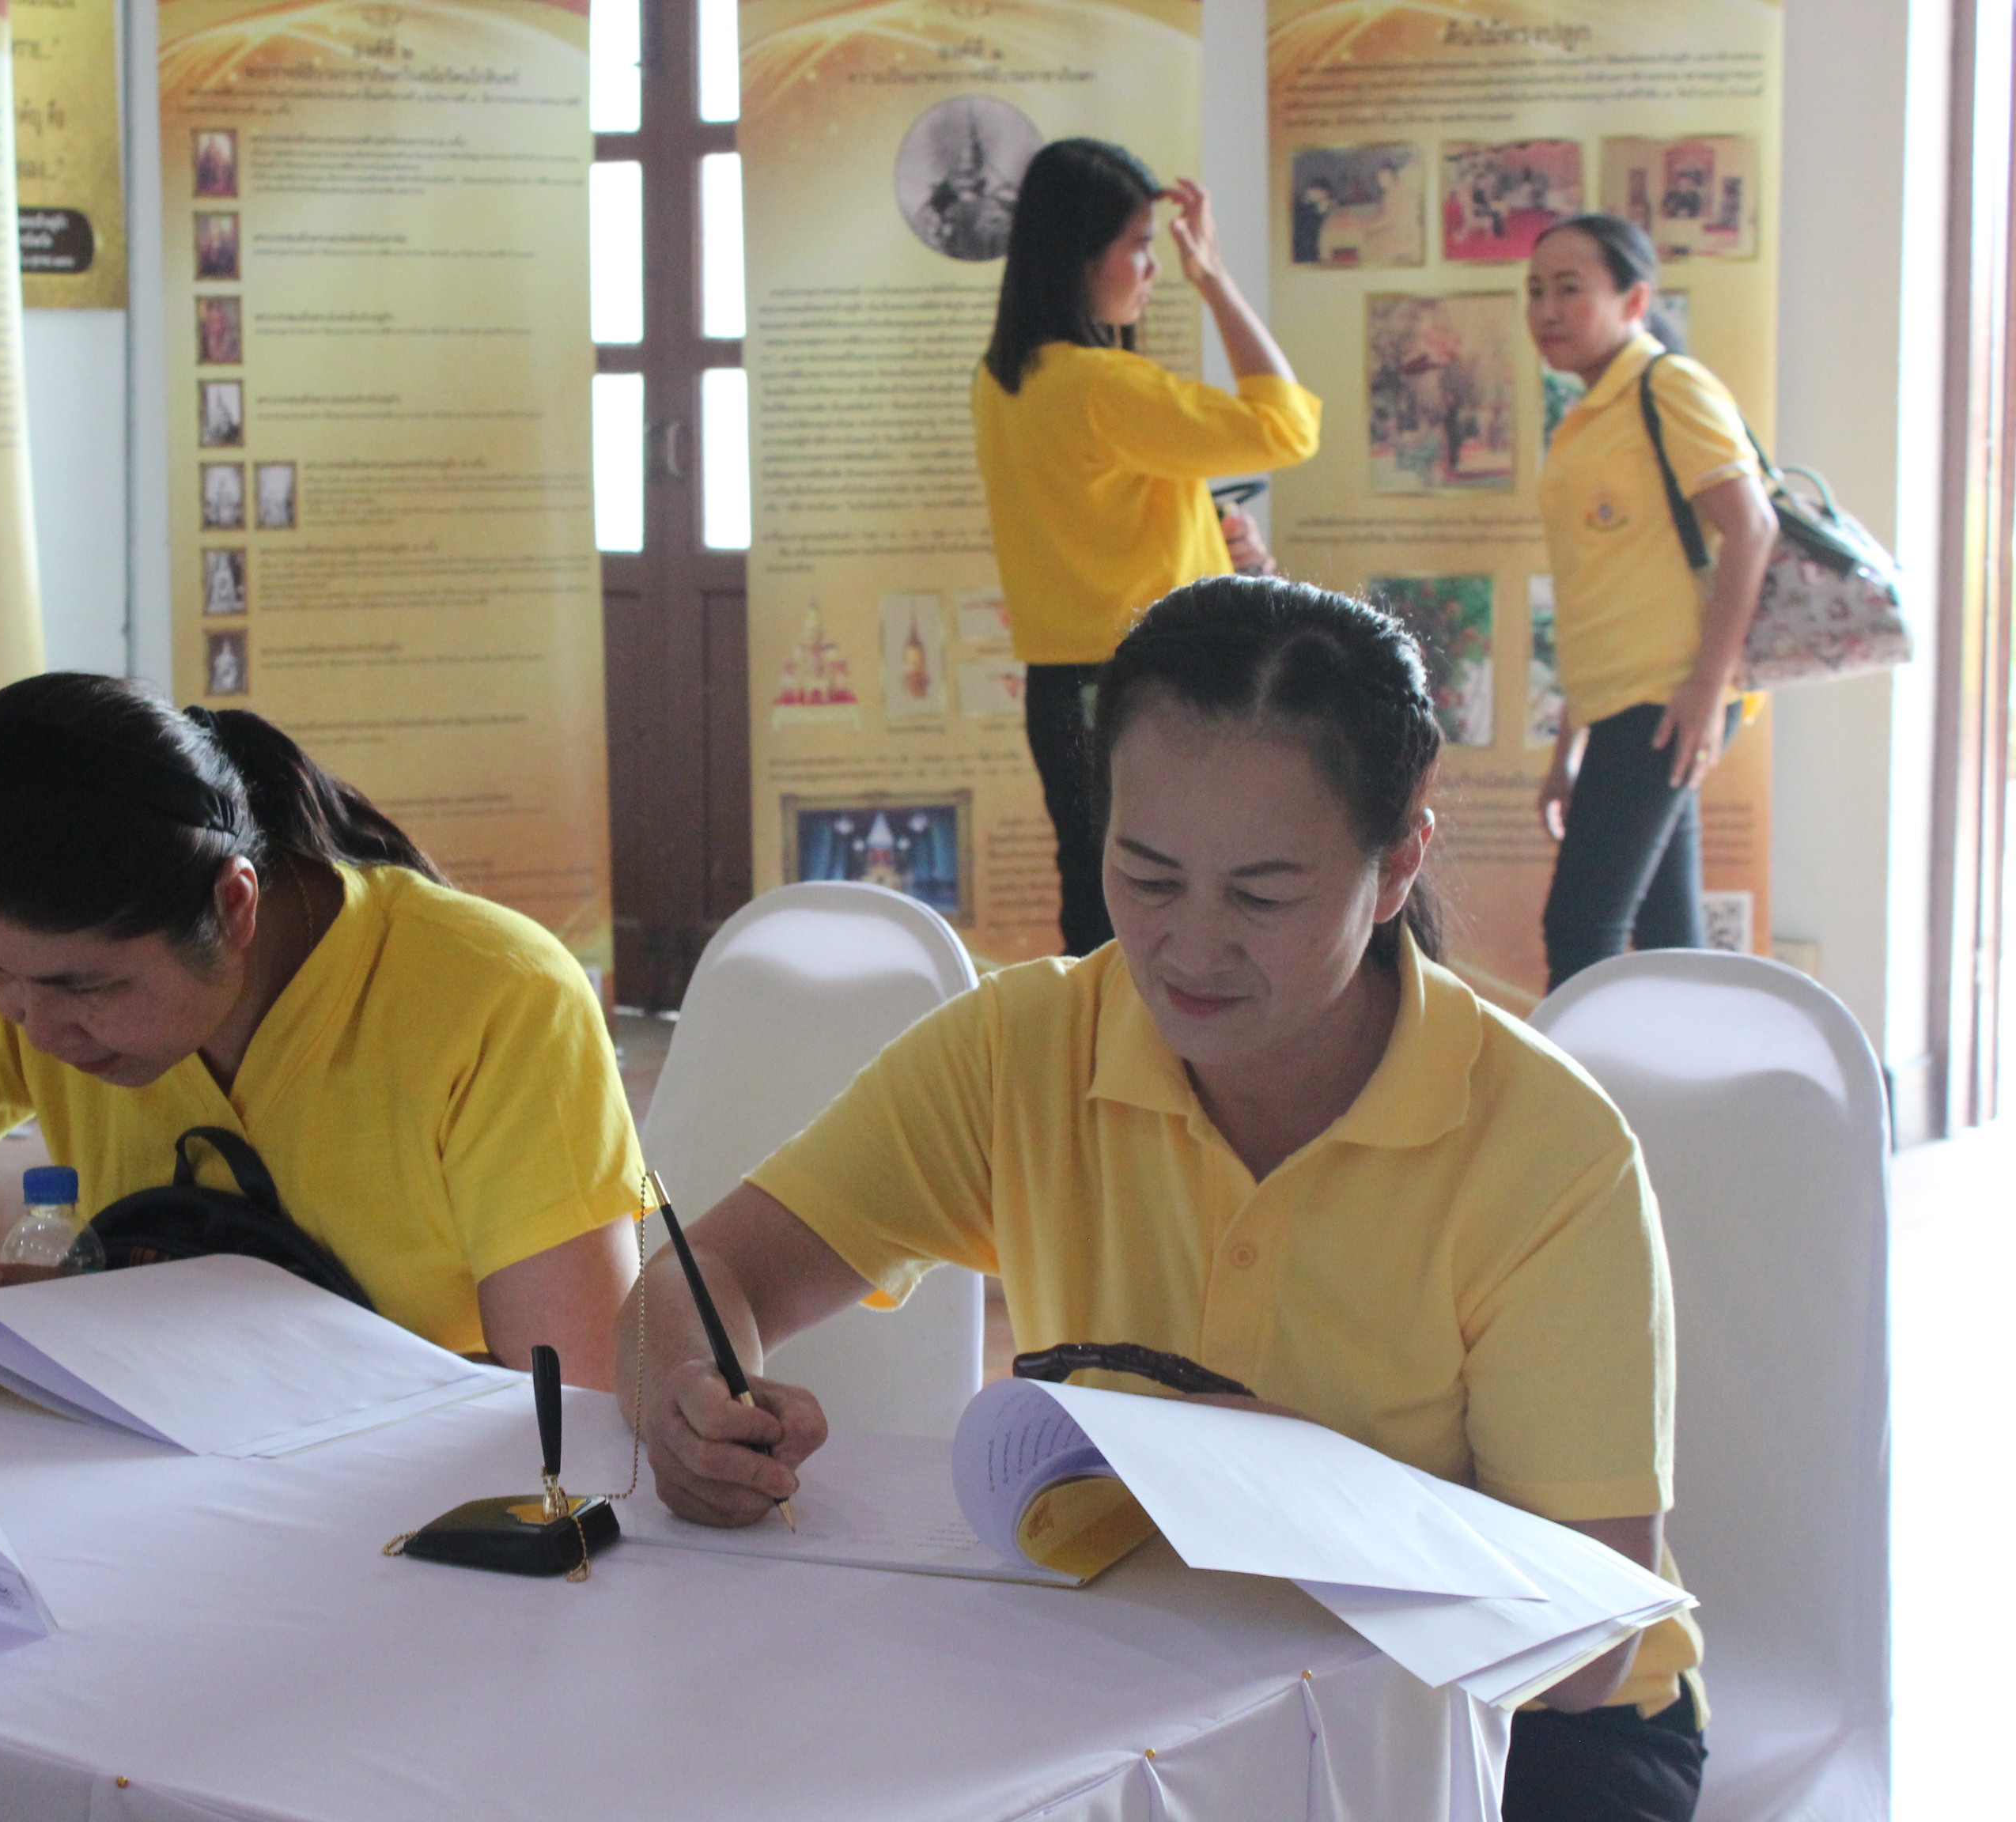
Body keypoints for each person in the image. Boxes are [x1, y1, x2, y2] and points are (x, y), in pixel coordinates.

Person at [640, 577, 1707, 1822]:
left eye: (1262, 896)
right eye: (1145, 877)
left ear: (1401, 858)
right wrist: (685, 1407)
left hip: (1503, 1734)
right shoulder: (1026, 1048)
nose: (1190, 952)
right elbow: (702, 1275)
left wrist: (1286, 1498)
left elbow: (1587, 1654)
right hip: (1147, 1688)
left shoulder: (1543, 1148)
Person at [0, 675, 645, 1386]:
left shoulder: (496, 1002)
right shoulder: (31, 977)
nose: (41, 1026)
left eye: (89, 988)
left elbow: (578, 1400)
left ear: (233, 907)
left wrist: (149, 1342)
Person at [974, 139, 1320, 957]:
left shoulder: (1003, 381)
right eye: (1139, 245)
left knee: (1103, 912)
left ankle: (1096, 1080)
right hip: (1140, 687)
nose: (1156, 267)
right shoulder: (1104, 388)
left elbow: (1106, 519)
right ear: (1079, 255)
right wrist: (1216, 281)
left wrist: (1212, 541)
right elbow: (1289, 424)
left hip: (1066, 690)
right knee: (1167, 916)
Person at [1528, 214, 1777, 987]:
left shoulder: (1667, 385)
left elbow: (1752, 527)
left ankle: (1584, 1109)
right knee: (1672, 937)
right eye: (1534, 291)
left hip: (1667, 699)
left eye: (1571, 288)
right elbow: (1597, 593)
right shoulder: (1585, 417)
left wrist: (1706, 691)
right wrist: (1568, 748)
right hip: (1623, 704)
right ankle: (1703, 1101)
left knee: (1580, 927)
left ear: (1635, 299)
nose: (1546, 309)